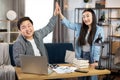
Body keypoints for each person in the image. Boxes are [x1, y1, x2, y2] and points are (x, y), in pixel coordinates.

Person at [58, 8, 104, 80]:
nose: (85, 19)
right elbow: (69, 24)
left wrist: (96, 61)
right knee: (82, 76)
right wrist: (60, 14)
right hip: (81, 55)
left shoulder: (99, 29)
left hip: (92, 56)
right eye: (83, 17)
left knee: (92, 77)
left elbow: (97, 47)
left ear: (93, 16)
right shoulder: (80, 27)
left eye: (87, 16)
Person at [13, 2, 60, 67]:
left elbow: (49, 27)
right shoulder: (19, 43)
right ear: (20, 31)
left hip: (45, 67)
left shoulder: (38, 34)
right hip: (31, 69)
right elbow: (18, 61)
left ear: (32, 26)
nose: (27, 29)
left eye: (29, 26)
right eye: (23, 27)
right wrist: (34, 64)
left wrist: (55, 15)